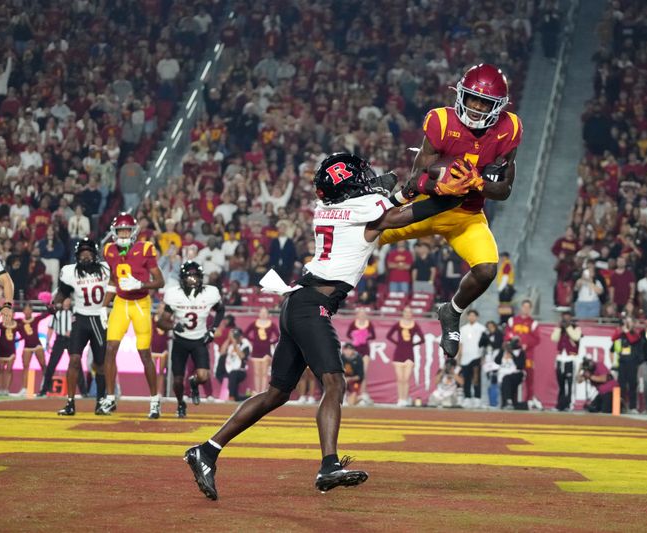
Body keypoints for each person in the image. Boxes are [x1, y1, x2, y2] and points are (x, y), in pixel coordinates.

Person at [184, 152, 467, 499]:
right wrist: (457, 194)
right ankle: (329, 465)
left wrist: (405, 184)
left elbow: (384, 194)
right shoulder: (367, 210)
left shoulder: (329, 209)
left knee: (277, 393)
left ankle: (207, 450)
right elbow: (410, 211)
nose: (368, 178)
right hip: (312, 304)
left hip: (295, 302)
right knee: (334, 382)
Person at [379, 64, 523, 358]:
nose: (477, 107)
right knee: (367, 235)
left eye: (485, 102)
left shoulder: (510, 129)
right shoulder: (441, 120)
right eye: (472, 99)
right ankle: (321, 289)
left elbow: (505, 190)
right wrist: (440, 185)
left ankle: (452, 311)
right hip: (427, 207)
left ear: (498, 107)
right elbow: (418, 174)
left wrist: (477, 183)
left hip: (466, 215)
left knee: (486, 270)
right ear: (461, 95)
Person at [98, 213, 165, 418]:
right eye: (121, 231)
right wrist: (104, 305)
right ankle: (110, 398)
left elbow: (160, 281)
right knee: (110, 349)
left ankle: (154, 401)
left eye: (127, 230)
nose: (124, 234)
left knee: (144, 353)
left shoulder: (145, 248)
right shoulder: (109, 250)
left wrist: (141, 284)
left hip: (141, 303)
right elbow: (112, 279)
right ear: (114, 233)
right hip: (120, 302)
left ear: (134, 232)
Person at [48, 239, 111, 415]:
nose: (85, 256)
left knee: (100, 364)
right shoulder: (69, 272)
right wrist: (55, 303)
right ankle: (70, 403)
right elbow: (63, 293)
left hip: (99, 318)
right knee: (74, 360)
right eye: (82, 253)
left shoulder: (106, 270)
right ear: (76, 256)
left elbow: (116, 288)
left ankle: (100, 402)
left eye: (88, 252)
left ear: (95, 254)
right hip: (80, 318)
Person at [157, 261, 225, 418]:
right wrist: (173, 326)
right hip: (180, 341)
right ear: (182, 279)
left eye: (195, 276)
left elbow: (221, 310)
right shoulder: (175, 294)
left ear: (201, 277)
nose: (193, 280)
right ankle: (181, 404)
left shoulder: (209, 293)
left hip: (199, 340)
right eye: (189, 276)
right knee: (178, 380)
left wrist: (213, 329)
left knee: (203, 376)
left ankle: (194, 382)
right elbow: (161, 321)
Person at [504, 300, 542, 409]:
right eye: (524, 306)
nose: (525, 309)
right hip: (513, 355)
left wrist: (526, 344)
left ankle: (529, 400)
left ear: (530, 309)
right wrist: (511, 344)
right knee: (512, 377)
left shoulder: (533, 323)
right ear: (521, 307)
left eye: (528, 307)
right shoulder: (512, 320)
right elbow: (507, 335)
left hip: (527, 356)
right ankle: (511, 400)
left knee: (529, 378)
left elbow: (537, 339)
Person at [388, 306, 425, 407]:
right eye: (406, 312)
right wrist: (398, 343)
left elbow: (422, 339)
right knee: (400, 379)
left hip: (409, 354)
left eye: (409, 312)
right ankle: (400, 399)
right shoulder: (398, 324)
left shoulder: (415, 325)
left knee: (406, 379)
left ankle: (405, 398)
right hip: (398, 354)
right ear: (403, 313)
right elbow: (389, 335)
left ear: (411, 314)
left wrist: (413, 345)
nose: (408, 314)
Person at [39, 297, 76, 397]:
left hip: (70, 340)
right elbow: (50, 329)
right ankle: (44, 389)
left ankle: (84, 391)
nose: (67, 301)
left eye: (68, 299)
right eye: (65, 299)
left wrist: (73, 333)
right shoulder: (56, 313)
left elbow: (78, 327)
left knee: (76, 363)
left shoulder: (74, 312)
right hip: (59, 339)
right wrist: (47, 343)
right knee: (51, 365)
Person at [244, 306, 279, 396]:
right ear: (259, 314)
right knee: (256, 372)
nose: (263, 314)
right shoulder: (255, 323)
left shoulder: (271, 324)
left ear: (268, 314)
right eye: (261, 312)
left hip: (266, 351)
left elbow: (278, 336)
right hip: (256, 351)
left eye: (265, 312)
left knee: (264, 372)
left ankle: (263, 391)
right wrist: (254, 341)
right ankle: (256, 391)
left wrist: (271, 342)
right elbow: (246, 333)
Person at [16, 303, 49, 395]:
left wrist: (49, 306)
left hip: (37, 345)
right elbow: (10, 323)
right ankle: (24, 388)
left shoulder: (35, 319)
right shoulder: (19, 322)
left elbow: (46, 314)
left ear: (31, 311)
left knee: (43, 365)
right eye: (25, 310)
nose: (27, 312)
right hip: (27, 347)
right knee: (25, 367)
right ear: (23, 311)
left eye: (29, 310)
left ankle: (45, 385)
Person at [551, 311, 581, 411]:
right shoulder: (560, 328)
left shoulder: (576, 328)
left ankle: (569, 404)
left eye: (568, 318)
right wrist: (559, 328)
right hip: (560, 359)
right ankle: (560, 404)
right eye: (564, 318)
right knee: (561, 384)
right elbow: (554, 338)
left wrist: (568, 327)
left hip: (570, 359)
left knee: (570, 384)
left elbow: (576, 337)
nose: (566, 320)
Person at [346, 307, 376, 405]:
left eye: (363, 314)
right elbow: (348, 334)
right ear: (357, 315)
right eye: (360, 313)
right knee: (355, 372)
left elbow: (373, 336)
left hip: (365, 350)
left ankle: (362, 393)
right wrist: (356, 336)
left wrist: (365, 336)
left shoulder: (369, 323)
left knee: (363, 373)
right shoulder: (353, 323)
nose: (362, 315)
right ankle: (355, 394)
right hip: (356, 350)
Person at [611, 316, 640, 413]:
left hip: (632, 363)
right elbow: (613, 338)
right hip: (622, 362)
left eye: (629, 322)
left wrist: (627, 331)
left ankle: (633, 407)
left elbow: (632, 340)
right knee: (621, 385)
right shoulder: (622, 334)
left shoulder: (636, 334)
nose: (628, 324)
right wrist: (621, 329)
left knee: (632, 385)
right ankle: (621, 406)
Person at [458, 309, 485, 407]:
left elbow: (484, 345)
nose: (471, 317)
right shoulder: (463, 329)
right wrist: (459, 358)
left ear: (477, 317)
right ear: (467, 317)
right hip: (465, 357)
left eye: (474, 315)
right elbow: (460, 344)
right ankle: (467, 398)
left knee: (476, 378)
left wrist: (483, 357)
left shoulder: (482, 328)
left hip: (477, 357)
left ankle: (477, 398)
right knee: (466, 379)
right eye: (470, 315)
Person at [220, 327, 251, 400]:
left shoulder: (245, 345)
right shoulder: (230, 346)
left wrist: (234, 344)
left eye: (237, 337)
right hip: (229, 370)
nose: (236, 339)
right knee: (222, 373)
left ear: (241, 336)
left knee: (233, 374)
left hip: (240, 371)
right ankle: (238, 397)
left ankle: (231, 397)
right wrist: (228, 339)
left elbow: (242, 356)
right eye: (234, 337)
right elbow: (222, 352)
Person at [496, 338, 525, 409]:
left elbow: (520, 366)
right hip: (503, 375)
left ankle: (508, 401)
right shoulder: (503, 351)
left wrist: (512, 354)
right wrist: (502, 350)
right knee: (505, 404)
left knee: (506, 379)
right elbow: (497, 361)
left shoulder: (520, 352)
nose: (509, 345)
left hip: (515, 374)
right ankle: (509, 403)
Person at [0, 317, 20, 395]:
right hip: (2, 349)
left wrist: (16, 340)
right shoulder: (2, 324)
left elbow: (23, 333)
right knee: (1, 369)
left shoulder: (16, 324)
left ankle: (6, 389)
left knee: (9, 369)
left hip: (11, 349)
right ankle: (0, 389)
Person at [151, 303, 170, 396]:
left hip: (163, 349)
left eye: (164, 308)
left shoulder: (168, 320)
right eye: (160, 308)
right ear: (158, 309)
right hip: (153, 348)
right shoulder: (152, 319)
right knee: (153, 371)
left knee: (162, 372)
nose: (162, 310)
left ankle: (160, 392)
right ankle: (153, 391)